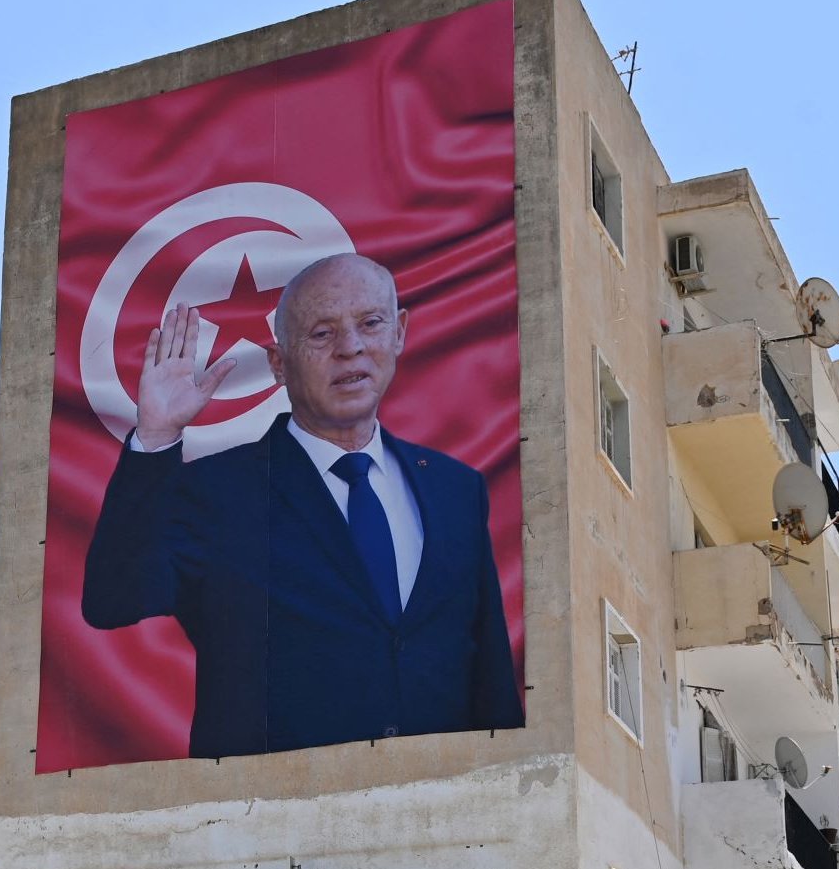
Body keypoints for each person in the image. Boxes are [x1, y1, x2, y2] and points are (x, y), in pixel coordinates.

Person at [81, 253, 524, 758]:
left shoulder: (456, 488)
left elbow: (488, 671)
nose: (351, 348)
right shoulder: (218, 490)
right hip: (273, 819)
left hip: (445, 813)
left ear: (399, 331)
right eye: (321, 334)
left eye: (370, 323)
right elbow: (114, 599)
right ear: (278, 363)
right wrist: (157, 436)